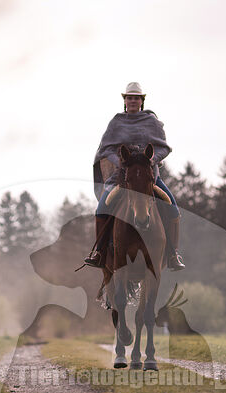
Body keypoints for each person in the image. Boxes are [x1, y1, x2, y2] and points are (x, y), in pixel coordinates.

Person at [85, 82, 185, 270]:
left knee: (173, 209)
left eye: (136, 98)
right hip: (121, 179)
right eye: (129, 98)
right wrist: (120, 161)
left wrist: (152, 160)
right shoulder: (116, 122)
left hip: (148, 179)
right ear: (125, 100)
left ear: (142, 101)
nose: (133, 101)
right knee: (101, 209)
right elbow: (106, 149)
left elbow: (164, 147)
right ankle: (99, 253)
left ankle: (173, 254)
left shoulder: (153, 123)